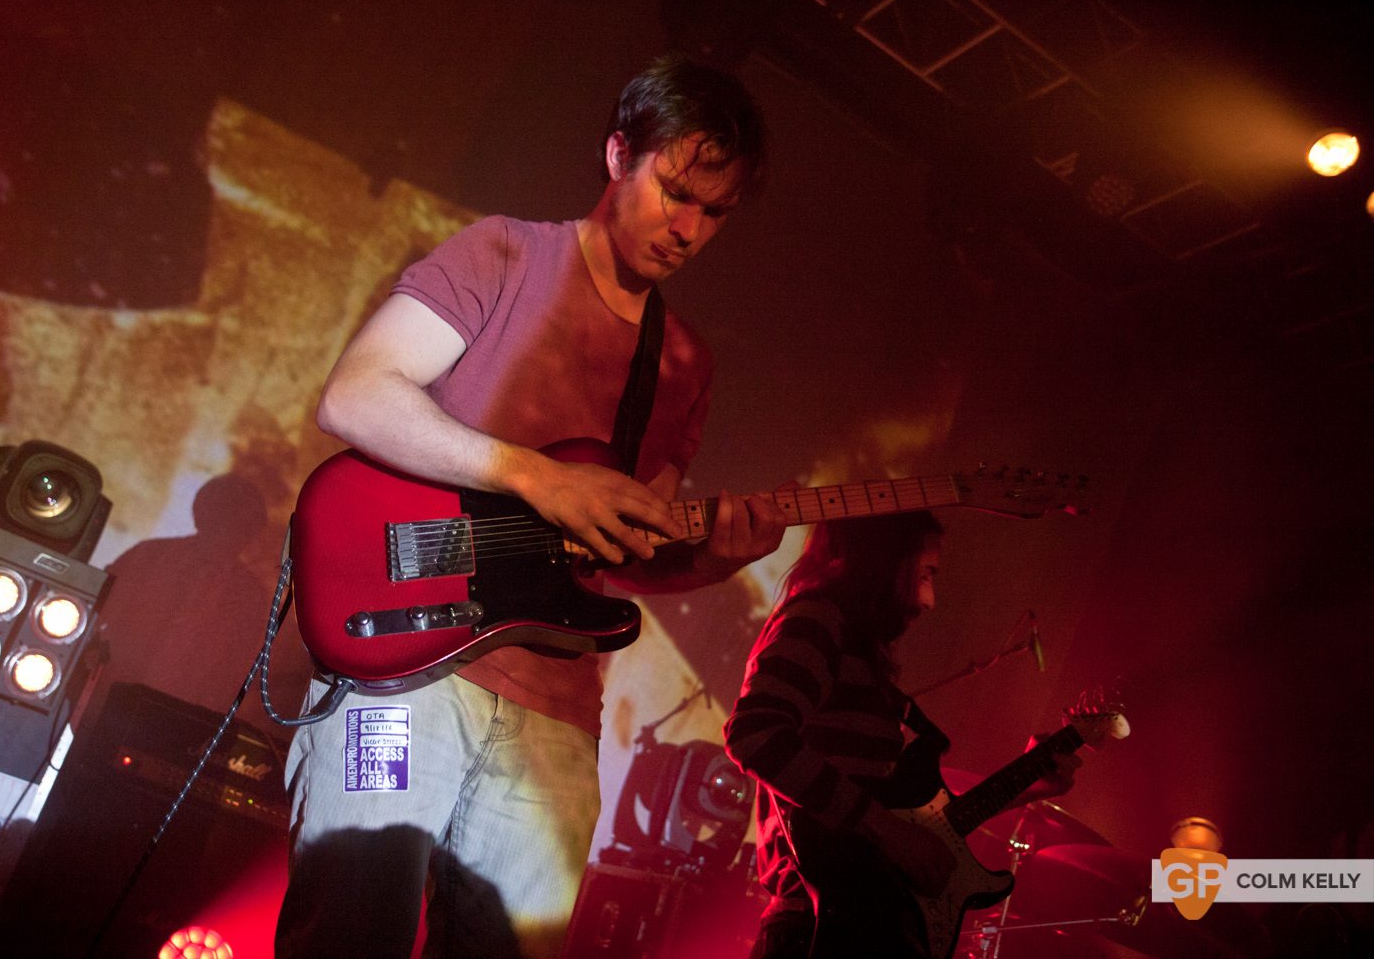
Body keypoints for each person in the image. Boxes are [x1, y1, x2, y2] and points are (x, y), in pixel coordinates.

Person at [275, 55, 788, 959]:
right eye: (674, 192)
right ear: (618, 155)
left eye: (714, 213)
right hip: (403, 674)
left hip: (555, 716)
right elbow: (356, 395)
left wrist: (715, 558)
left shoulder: (685, 364)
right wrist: (536, 477)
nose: (688, 228)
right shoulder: (505, 254)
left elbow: (618, 548)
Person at [723, 512, 1082, 959]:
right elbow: (755, 733)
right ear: (885, 562)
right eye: (925, 574)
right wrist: (890, 832)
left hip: (863, 925)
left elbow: (911, 821)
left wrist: (1027, 788)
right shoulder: (816, 620)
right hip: (818, 929)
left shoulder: (858, 653)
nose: (930, 600)